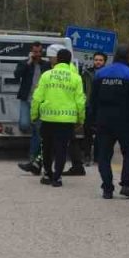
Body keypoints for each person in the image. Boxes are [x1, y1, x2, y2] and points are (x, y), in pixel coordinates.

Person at [89, 46, 129, 199]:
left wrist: (93, 121)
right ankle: (126, 185)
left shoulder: (100, 73)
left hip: (104, 120)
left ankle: (107, 188)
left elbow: (93, 100)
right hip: (125, 122)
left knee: (104, 155)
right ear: (128, 57)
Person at [30, 48, 86, 188]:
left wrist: (34, 115)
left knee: (47, 148)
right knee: (61, 149)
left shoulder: (47, 75)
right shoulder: (76, 78)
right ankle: (57, 177)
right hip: (66, 120)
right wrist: (81, 119)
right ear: (69, 60)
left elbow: (37, 97)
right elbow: (80, 101)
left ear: (56, 59)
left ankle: (48, 174)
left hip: (48, 118)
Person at [71, 52, 107, 172]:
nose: (98, 62)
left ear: (105, 62)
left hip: (102, 106)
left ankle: (98, 156)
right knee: (87, 133)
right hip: (88, 106)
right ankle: (87, 155)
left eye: (100, 60)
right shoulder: (86, 73)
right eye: (96, 59)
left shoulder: (108, 73)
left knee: (101, 133)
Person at [15, 42, 46, 175]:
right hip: (26, 99)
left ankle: (33, 158)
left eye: (39, 52)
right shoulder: (24, 64)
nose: (37, 54)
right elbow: (17, 75)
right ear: (31, 52)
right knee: (24, 124)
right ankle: (34, 133)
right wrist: (28, 62)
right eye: (35, 52)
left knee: (37, 130)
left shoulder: (46, 65)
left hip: (40, 102)